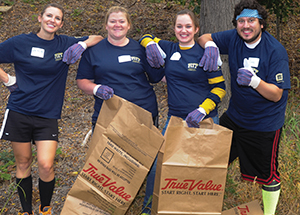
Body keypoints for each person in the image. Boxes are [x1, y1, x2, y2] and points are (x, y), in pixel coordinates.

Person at [0, 3, 103, 215]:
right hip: (19, 110)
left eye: (57, 18)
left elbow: (98, 38)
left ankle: (45, 209)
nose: (52, 20)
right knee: (24, 162)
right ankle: (26, 211)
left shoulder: (65, 43)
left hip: (47, 115)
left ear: (61, 24)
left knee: (46, 165)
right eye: (49, 15)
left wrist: (81, 46)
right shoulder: (20, 42)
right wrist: (8, 79)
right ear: (40, 18)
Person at [197, 0, 291, 214]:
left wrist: (255, 82)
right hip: (235, 117)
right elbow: (203, 37)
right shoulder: (233, 37)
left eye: (251, 20)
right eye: (241, 21)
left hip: (264, 124)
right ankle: (201, 202)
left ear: (262, 24)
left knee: (268, 175)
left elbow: (277, 95)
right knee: (214, 158)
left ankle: (269, 212)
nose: (246, 25)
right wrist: (211, 46)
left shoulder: (275, 51)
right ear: (236, 23)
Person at [139, 9, 226, 214]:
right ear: (174, 28)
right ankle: (149, 208)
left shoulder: (206, 53)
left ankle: (202, 209)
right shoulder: (169, 48)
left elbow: (220, 88)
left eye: (188, 26)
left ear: (196, 29)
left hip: (205, 119)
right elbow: (145, 36)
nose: (183, 30)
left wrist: (202, 110)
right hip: (175, 119)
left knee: (205, 168)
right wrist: (150, 44)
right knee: (159, 164)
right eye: (179, 26)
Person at [76, 6, 164, 131]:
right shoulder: (93, 51)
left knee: (143, 151)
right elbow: (82, 80)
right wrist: (96, 89)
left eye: (122, 21)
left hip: (143, 113)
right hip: (108, 115)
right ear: (106, 25)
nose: (117, 25)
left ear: (129, 25)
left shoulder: (140, 49)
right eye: (113, 21)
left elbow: (157, 77)